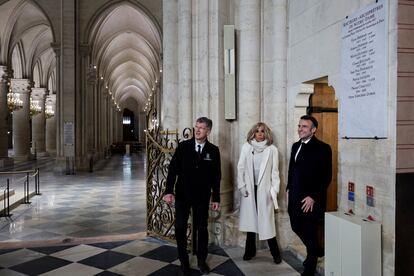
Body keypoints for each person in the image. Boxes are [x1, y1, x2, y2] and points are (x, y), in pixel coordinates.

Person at [163, 117, 221, 276]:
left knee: (202, 229)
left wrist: (216, 198)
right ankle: (184, 261)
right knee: (180, 227)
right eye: (196, 127)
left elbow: (216, 177)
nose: (197, 130)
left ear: (208, 131)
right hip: (182, 195)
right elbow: (172, 170)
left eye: (201, 128)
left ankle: (202, 260)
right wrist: (169, 191)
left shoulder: (213, 151)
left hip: (202, 197)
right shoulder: (183, 147)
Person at [287, 115, 332, 276]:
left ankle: (310, 265)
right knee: (295, 225)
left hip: (310, 199)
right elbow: (292, 170)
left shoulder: (323, 148)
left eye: (304, 126)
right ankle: (316, 250)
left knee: (310, 230)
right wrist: (287, 189)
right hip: (294, 195)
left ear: (313, 130)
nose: (300, 129)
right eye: (299, 126)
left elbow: (326, 176)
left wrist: (313, 196)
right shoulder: (295, 146)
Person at [238, 122, 282, 264]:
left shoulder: (272, 150)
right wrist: (242, 186)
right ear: (253, 133)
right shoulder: (246, 147)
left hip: (264, 190)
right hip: (250, 190)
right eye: (257, 131)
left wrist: (274, 191)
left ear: (266, 133)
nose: (260, 133)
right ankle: (249, 251)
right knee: (251, 222)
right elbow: (241, 168)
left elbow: (275, 173)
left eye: (262, 131)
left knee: (267, 222)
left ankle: (275, 253)